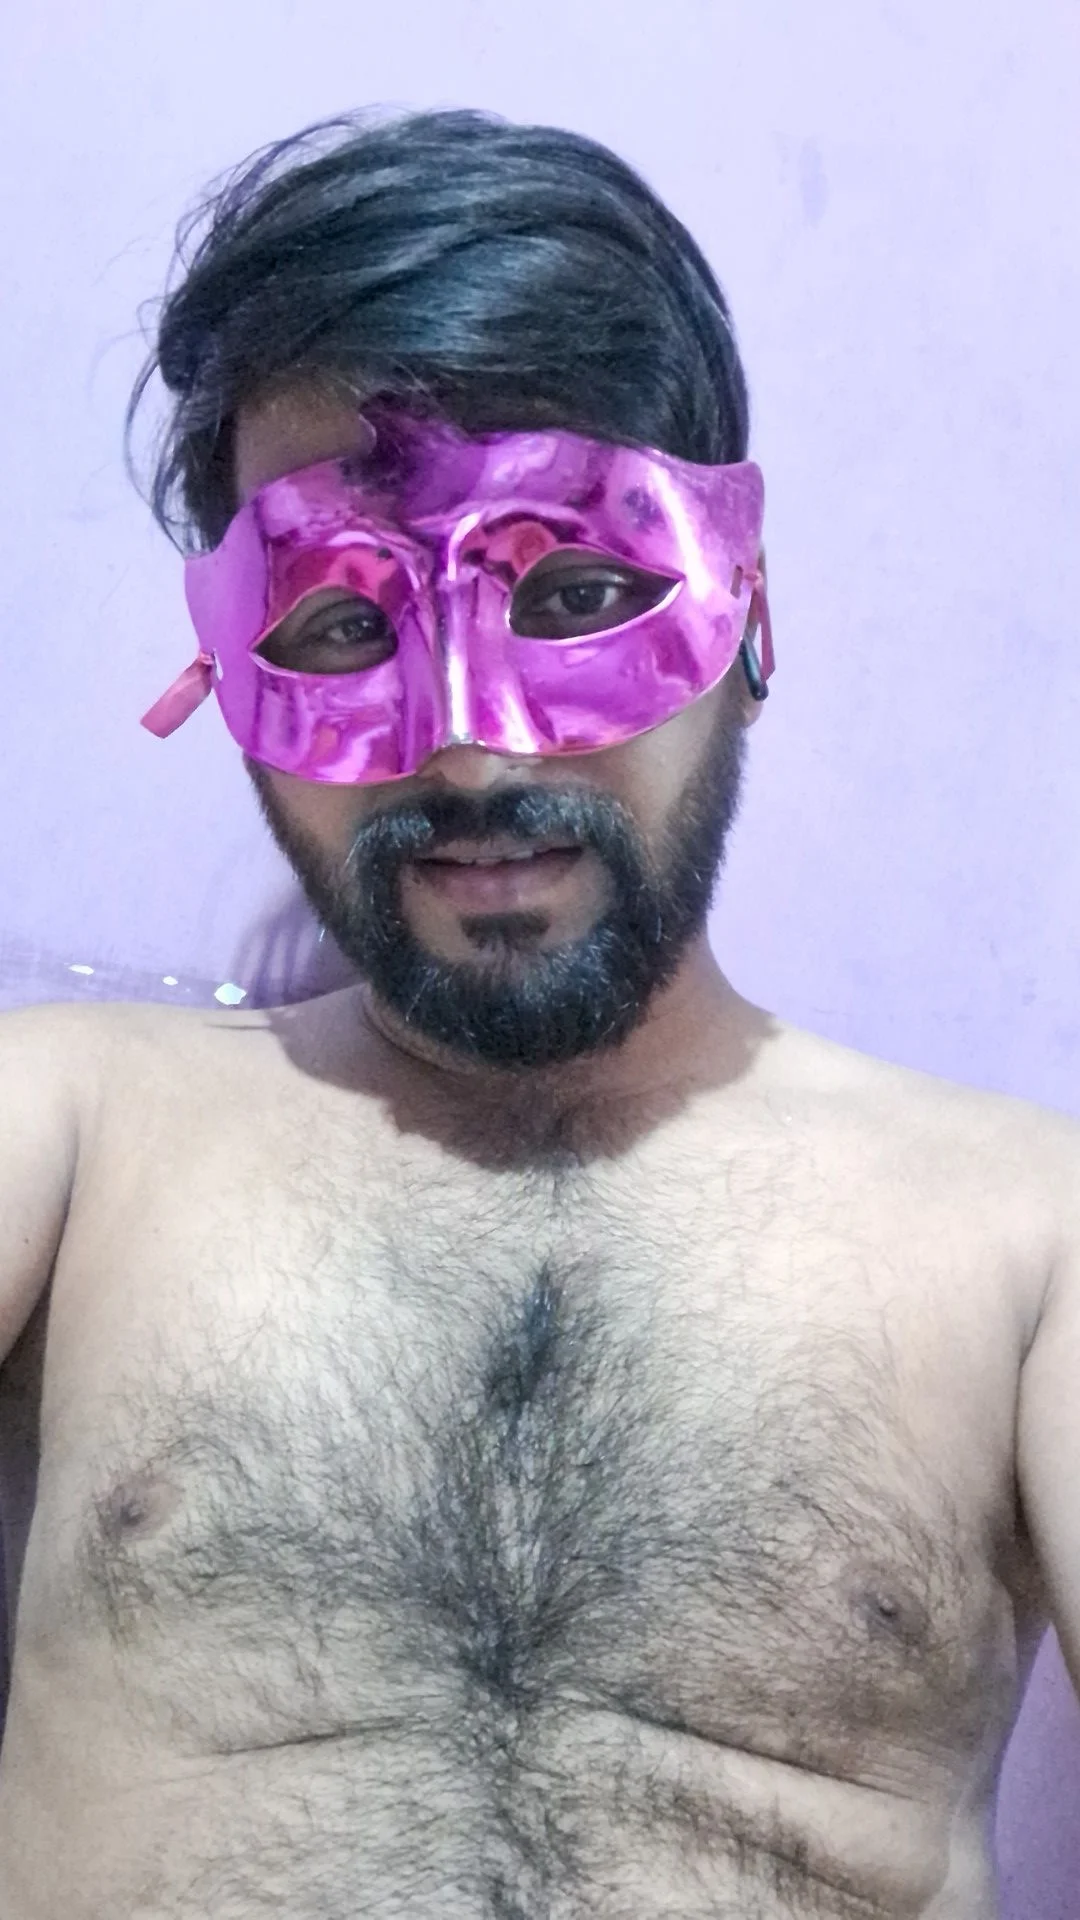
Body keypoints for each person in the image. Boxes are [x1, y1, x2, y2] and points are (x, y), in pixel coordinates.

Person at [0, 106, 1076, 1920]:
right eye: (340, 628)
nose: (475, 751)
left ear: (748, 619)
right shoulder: (67, 1130)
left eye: (580, 597)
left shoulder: (1031, 1236)